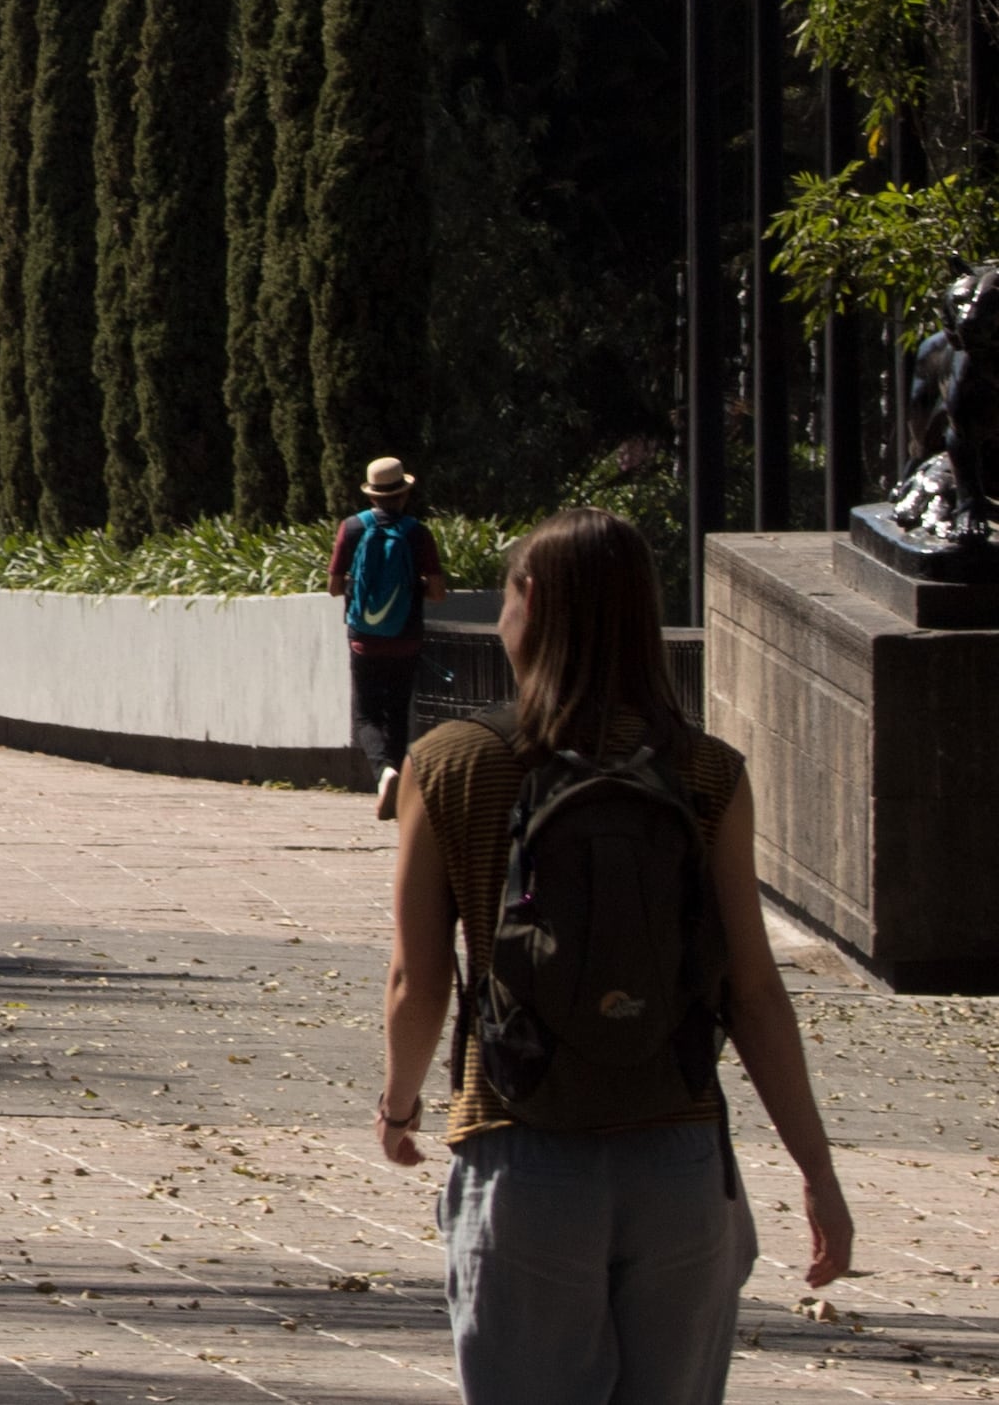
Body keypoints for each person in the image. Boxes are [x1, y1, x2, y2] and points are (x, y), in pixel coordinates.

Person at [377, 508, 850, 1402]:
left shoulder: (450, 762)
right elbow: (751, 987)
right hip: (679, 1155)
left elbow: (418, 980)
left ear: (527, 600)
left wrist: (398, 1107)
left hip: (522, 1151)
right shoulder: (707, 771)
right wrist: (816, 1173)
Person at [335, 456, 443, 802]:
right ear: (404, 494)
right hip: (406, 637)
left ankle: (384, 773)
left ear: (371, 496)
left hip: (364, 640)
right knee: (398, 711)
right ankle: (395, 792)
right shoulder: (417, 533)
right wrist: (414, 587)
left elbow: (335, 586)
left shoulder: (351, 528)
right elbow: (438, 592)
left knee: (366, 714)